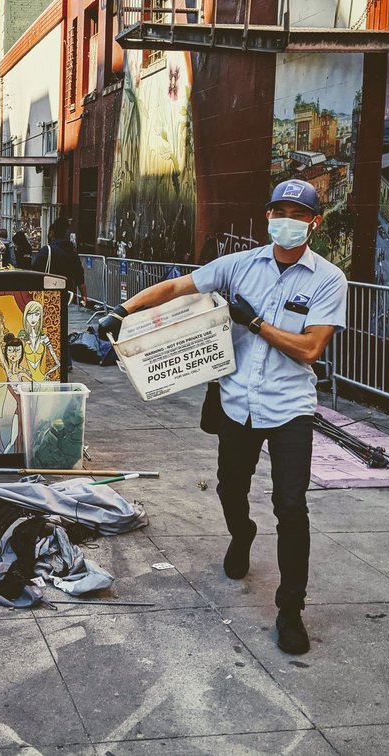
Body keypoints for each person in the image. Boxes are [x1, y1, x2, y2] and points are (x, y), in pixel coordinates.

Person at [98, 179, 347, 656]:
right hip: (237, 402)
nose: (287, 221)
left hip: (289, 406)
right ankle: (242, 534)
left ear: (314, 222)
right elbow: (176, 286)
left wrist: (254, 323)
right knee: (230, 487)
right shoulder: (240, 265)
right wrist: (121, 312)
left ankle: (290, 609)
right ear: (268, 216)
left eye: (298, 213)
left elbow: (311, 348)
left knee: (291, 506)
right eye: (280, 211)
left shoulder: (328, 280)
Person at [32, 217, 87, 305]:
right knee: (62, 316)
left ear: (52, 233)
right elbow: (79, 275)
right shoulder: (72, 251)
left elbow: (34, 271)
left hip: (47, 293)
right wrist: (84, 296)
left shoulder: (47, 250)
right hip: (66, 294)